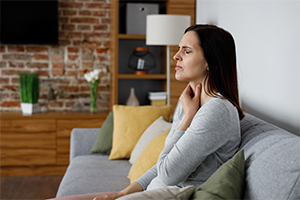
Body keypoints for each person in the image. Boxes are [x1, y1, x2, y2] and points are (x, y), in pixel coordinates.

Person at [93, 24, 244, 200]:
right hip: (152, 192)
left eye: (186, 51)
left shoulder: (217, 111)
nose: (175, 56)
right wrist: (122, 193)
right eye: (179, 49)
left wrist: (187, 119)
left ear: (211, 62)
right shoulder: (189, 101)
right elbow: (162, 163)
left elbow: (167, 174)